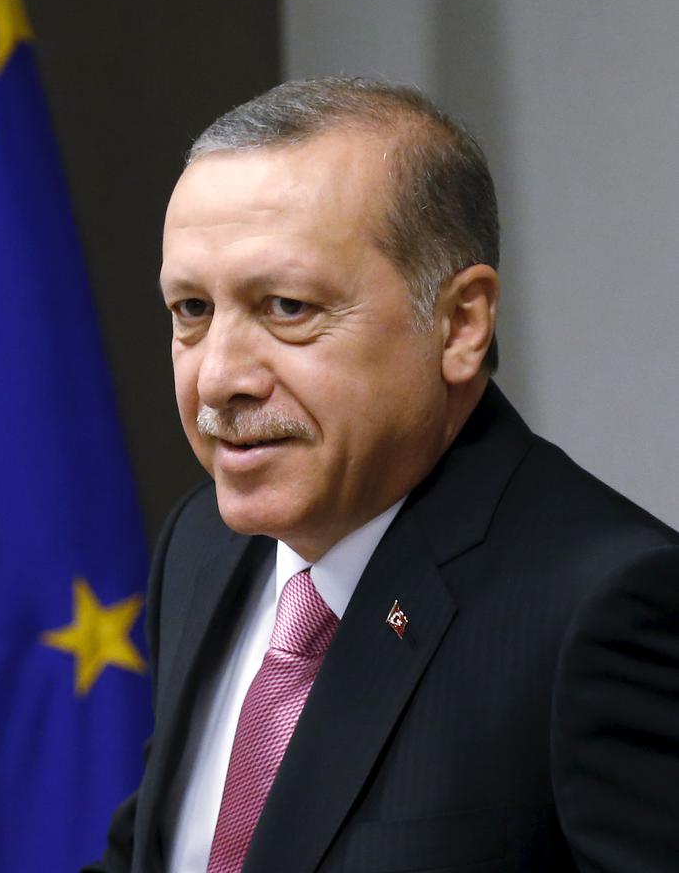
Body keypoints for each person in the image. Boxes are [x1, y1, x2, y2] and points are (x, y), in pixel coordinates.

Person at [86, 77, 679, 873]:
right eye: (192, 310)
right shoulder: (201, 545)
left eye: (287, 307)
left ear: (460, 324)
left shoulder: (606, 608)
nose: (218, 378)